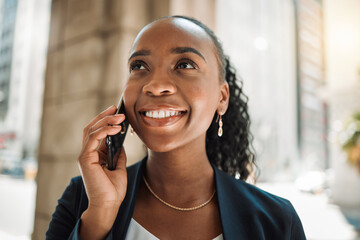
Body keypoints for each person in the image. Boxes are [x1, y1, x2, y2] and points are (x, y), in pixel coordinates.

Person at [46, 15, 306, 240]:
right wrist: (99, 218)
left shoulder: (277, 221)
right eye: (139, 66)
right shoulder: (82, 198)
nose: (156, 85)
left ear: (222, 98)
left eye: (185, 64)